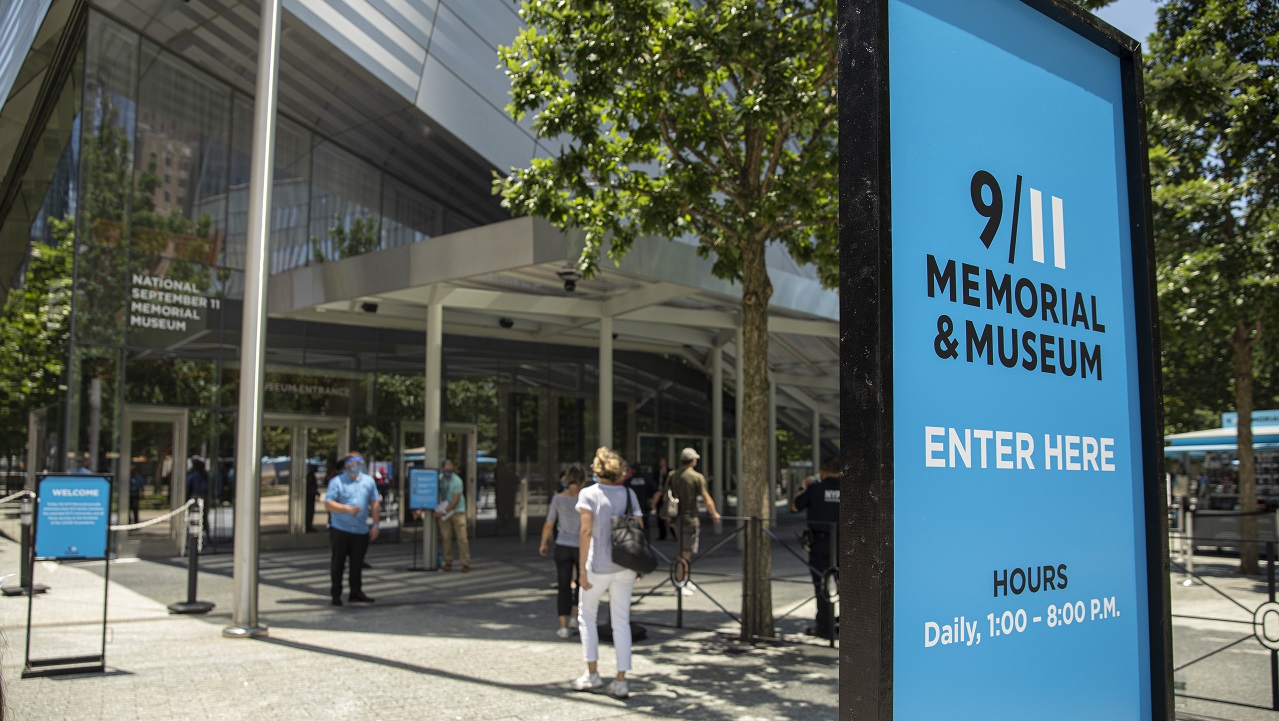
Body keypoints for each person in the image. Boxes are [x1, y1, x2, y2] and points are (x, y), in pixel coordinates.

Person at [572, 446, 643, 699]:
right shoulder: (628, 493)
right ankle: (621, 681)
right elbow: (639, 528)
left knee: (586, 616)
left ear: (597, 470)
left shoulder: (588, 494)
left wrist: (580, 570)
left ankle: (592, 674)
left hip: (597, 566)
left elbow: (585, 533)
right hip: (625, 566)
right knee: (621, 621)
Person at [791, 456, 840, 640]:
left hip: (820, 543)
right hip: (847, 544)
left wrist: (803, 488)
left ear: (823, 471)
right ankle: (848, 623)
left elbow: (795, 506)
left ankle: (825, 627)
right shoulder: (850, 488)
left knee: (821, 585)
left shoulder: (815, 488)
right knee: (850, 586)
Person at [324, 452, 380, 605]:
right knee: (338, 563)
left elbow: (375, 503)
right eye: (352, 464)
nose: (355, 467)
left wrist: (375, 524)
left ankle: (356, 592)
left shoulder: (368, 481)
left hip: (360, 531)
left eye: (358, 463)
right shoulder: (337, 481)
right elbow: (328, 503)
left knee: (357, 563)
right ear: (346, 465)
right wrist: (347, 509)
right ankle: (336, 594)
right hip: (340, 530)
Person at [540, 463, 586, 638]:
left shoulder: (558, 498)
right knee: (581, 583)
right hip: (580, 545)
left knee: (564, 584)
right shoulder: (585, 497)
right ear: (582, 479)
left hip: (562, 544)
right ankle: (575, 617)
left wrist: (543, 543)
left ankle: (563, 626)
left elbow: (549, 523)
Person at [669, 447, 721, 594]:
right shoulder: (696, 477)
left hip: (676, 517)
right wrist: (714, 513)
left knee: (683, 550)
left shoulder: (673, 475)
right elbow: (706, 497)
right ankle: (680, 582)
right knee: (686, 553)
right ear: (692, 461)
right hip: (690, 518)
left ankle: (685, 579)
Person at [436, 458, 470, 572]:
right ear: (442, 469)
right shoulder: (439, 479)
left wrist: (443, 512)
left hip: (457, 511)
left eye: (450, 468)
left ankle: (465, 563)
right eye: (446, 468)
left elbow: (455, 500)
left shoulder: (457, 481)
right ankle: (448, 562)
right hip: (444, 511)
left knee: (462, 538)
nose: (448, 470)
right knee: (446, 538)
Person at [625, 462, 660, 542]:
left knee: (632, 536)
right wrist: (653, 505)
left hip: (631, 512)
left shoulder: (628, 481)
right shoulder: (647, 479)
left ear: (633, 470)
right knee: (645, 534)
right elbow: (658, 492)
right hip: (644, 510)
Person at [186, 457, 211, 532]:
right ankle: (205, 534)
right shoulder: (205, 475)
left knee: (194, 515)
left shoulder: (194, 475)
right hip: (203, 497)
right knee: (204, 517)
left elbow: (189, 485)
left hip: (195, 496)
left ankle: (193, 534)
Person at [653, 457, 671, 540]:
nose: (662, 463)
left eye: (663, 462)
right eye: (661, 462)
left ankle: (675, 534)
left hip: (668, 495)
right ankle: (662, 535)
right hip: (659, 495)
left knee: (670, 514)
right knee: (659, 515)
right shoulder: (656, 472)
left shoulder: (670, 472)